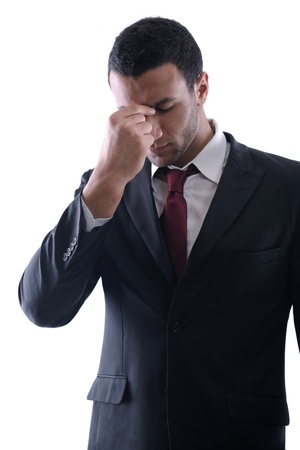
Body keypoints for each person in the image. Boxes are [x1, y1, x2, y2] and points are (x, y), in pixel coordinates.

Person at [18, 16, 300, 450]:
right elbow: (43, 307)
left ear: (201, 88)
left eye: (163, 108)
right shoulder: (106, 188)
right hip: (124, 437)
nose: (150, 130)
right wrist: (105, 182)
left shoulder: (287, 189)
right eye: (131, 113)